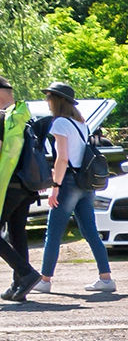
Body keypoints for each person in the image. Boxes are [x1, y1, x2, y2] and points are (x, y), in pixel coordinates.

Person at [36, 82, 114, 295]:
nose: (47, 101)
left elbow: (62, 158)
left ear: (56, 100)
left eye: (49, 97)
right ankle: (105, 277)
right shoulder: (81, 123)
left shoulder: (60, 123)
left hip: (68, 182)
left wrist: (55, 186)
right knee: (90, 231)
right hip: (85, 183)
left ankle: (45, 279)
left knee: (53, 233)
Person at [0, 76, 45, 302]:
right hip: (27, 185)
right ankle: (20, 285)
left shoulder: (2, 119)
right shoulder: (23, 116)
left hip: (7, 185)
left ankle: (26, 274)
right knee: (17, 233)